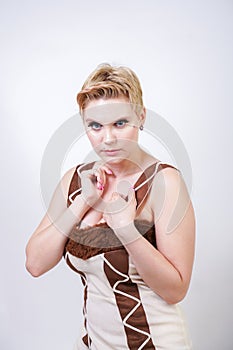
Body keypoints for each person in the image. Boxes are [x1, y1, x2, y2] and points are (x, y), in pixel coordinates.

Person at [25, 63, 195, 350]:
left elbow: (175, 289)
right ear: (84, 124)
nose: (108, 139)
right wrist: (82, 202)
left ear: (141, 116)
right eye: (95, 126)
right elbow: (35, 263)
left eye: (120, 123)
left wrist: (127, 230)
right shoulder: (76, 181)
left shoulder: (165, 183)